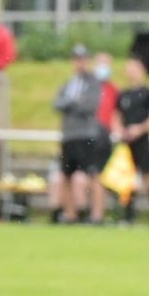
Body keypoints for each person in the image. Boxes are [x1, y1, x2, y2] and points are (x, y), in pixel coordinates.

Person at [53, 45, 107, 224]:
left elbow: (89, 106)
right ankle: (70, 214)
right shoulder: (69, 83)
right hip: (69, 135)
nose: (79, 63)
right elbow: (57, 104)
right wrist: (73, 102)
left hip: (86, 135)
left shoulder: (93, 82)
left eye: (82, 59)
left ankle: (97, 215)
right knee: (66, 175)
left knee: (93, 174)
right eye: (76, 59)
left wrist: (70, 104)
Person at [114, 55, 149, 223]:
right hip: (126, 142)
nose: (131, 71)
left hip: (142, 141)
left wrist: (140, 129)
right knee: (127, 178)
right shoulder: (123, 94)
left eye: (134, 67)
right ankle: (128, 215)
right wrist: (120, 130)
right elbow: (116, 115)